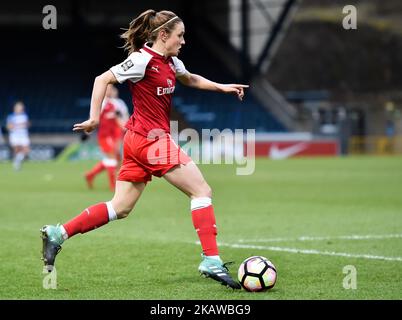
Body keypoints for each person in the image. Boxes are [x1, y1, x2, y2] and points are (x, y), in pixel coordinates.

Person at [40, 9, 248, 289]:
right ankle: (211, 259)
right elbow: (102, 79)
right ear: (163, 35)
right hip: (151, 141)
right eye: (180, 36)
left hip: (138, 140)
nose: (183, 41)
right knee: (201, 191)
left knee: (120, 207)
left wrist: (222, 87)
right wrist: (95, 118)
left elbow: (191, 79)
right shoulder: (141, 60)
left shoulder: (171, 62)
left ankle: (58, 233)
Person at [84, 84, 129, 191]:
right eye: (108, 89)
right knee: (112, 158)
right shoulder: (101, 102)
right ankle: (113, 186)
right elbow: (93, 117)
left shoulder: (117, 103)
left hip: (116, 135)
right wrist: (87, 130)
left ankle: (90, 175)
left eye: (111, 89)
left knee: (117, 159)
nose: (110, 90)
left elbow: (123, 116)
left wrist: (126, 128)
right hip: (105, 136)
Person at [6, 101, 30, 170]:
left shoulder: (25, 116)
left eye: (22, 108)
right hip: (15, 135)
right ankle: (16, 164)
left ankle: (17, 161)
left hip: (23, 135)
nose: (21, 109)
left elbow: (27, 124)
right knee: (16, 150)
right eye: (19, 108)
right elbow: (9, 126)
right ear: (15, 108)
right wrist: (18, 125)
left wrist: (25, 124)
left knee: (26, 150)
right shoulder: (11, 116)